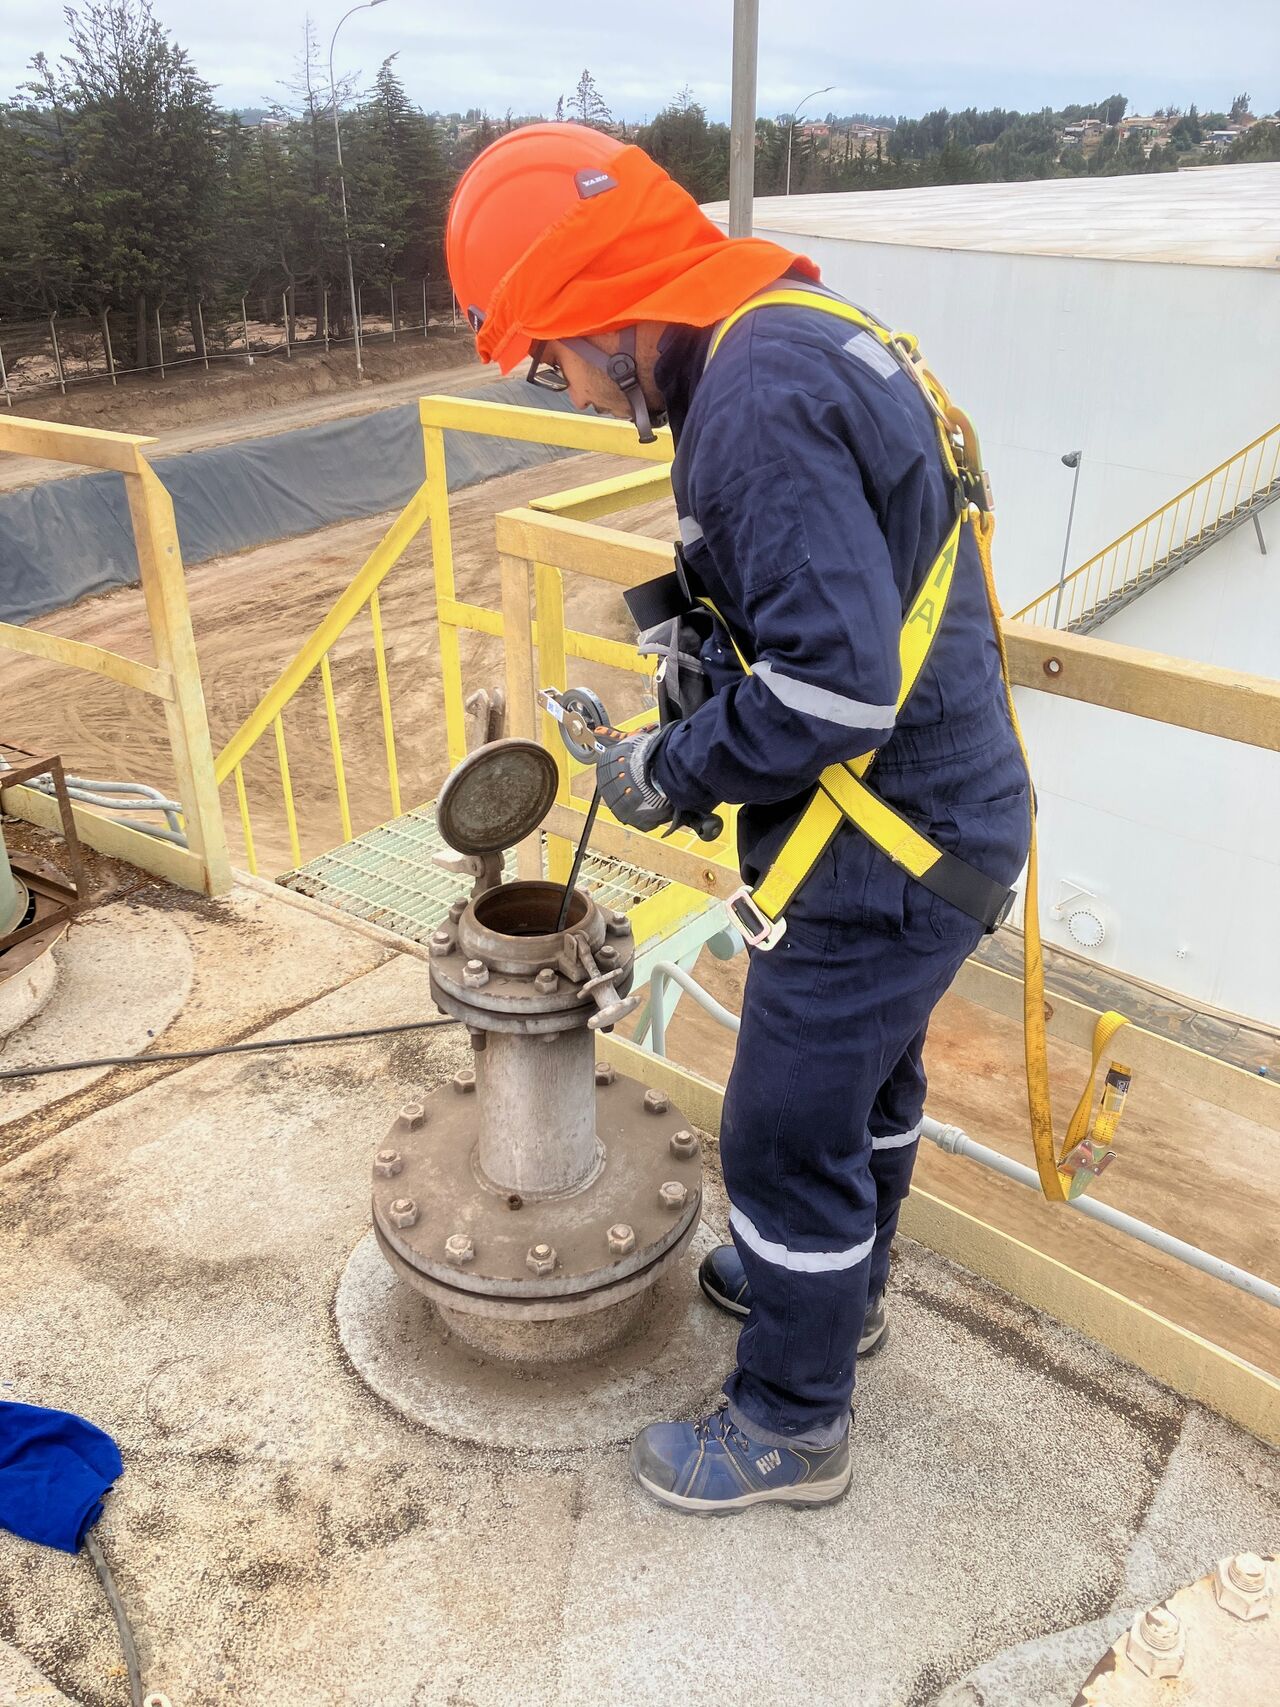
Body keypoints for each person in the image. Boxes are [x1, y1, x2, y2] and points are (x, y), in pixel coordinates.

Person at [446, 124, 1031, 1515]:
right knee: (866, 1091)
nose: (574, 390)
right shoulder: (793, 329)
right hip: (937, 826)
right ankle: (838, 1293)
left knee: (780, 1130)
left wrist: (675, 766)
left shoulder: (753, 402)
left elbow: (831, 697)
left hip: (881, 848)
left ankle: (791, 1420)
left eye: (553, 354)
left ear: (602, 310)